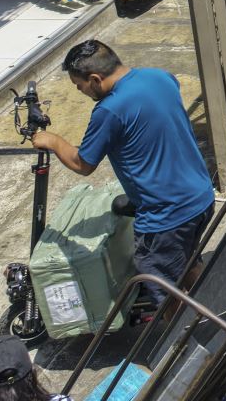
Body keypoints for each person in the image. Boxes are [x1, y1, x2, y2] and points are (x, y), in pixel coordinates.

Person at [28, 41, 214, 313]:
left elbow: (83, 164)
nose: (81, 92)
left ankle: (186, 339)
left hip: (167, 216)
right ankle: (216, 304)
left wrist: (53, 141)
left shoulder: (109, 110)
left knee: (159, 279)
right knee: (185, 258)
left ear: (95, 79)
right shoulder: (160, 77)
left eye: (79, 86)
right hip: (200, 196)